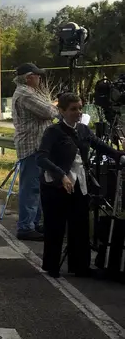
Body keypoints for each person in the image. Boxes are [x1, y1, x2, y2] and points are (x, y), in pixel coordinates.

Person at [37, 92, 124, 278]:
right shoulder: (53, 132)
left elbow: (99, 145)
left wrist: (119, 155)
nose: (77, 112)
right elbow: (41, 158)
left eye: (80, 108)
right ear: (61, 111)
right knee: (56, 226)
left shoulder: (83, 130)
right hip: (56, 185)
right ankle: (52, 265)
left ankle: (80, 266)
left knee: (80, 225)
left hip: (79, 183)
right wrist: (61, 175)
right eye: (73, 109)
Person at [12, 62, 58, 241]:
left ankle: (34, 223)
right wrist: (57, 105)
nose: (40, 78)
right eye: (37, 75)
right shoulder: (25, 94)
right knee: (30, 188)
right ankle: (25, 226)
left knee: (37, 187)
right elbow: (48, 111)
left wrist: (52, 105)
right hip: (32, 146)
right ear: (28, 77)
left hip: (37, 146)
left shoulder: (28, 92)